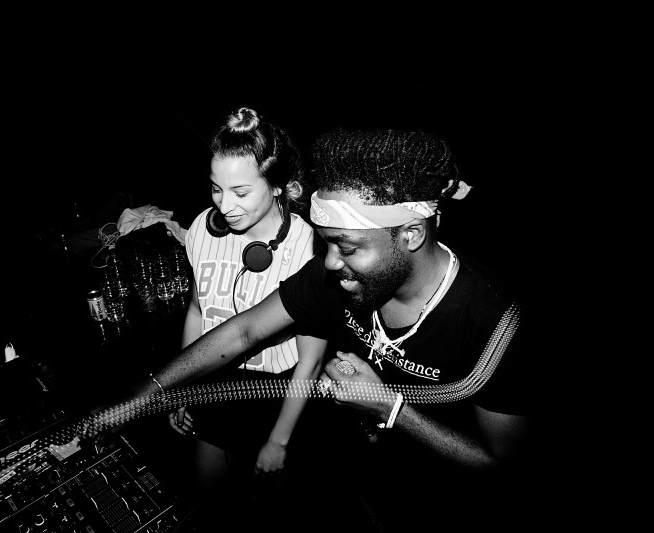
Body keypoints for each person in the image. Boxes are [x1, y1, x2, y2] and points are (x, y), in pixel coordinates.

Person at [90, 126, 534, 531]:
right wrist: (139, 397)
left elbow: (505, 465)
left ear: (411, 234)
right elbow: (244, 332)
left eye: (347, 247)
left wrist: (390, 408)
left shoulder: (494, 324)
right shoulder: (334, 277)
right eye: (326, 244)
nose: (331, 262)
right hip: (358, 490)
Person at [167, 107, 327, 528]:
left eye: (240, 191)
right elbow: (198, 310)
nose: (225, 205)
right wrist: (182, 386)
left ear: (276, 186)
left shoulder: (307, 246)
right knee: (210, 505)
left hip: (278, 396)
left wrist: (279, 441)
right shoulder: (202, 229)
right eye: (216, 189)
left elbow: (311, 360)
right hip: (215, 386)